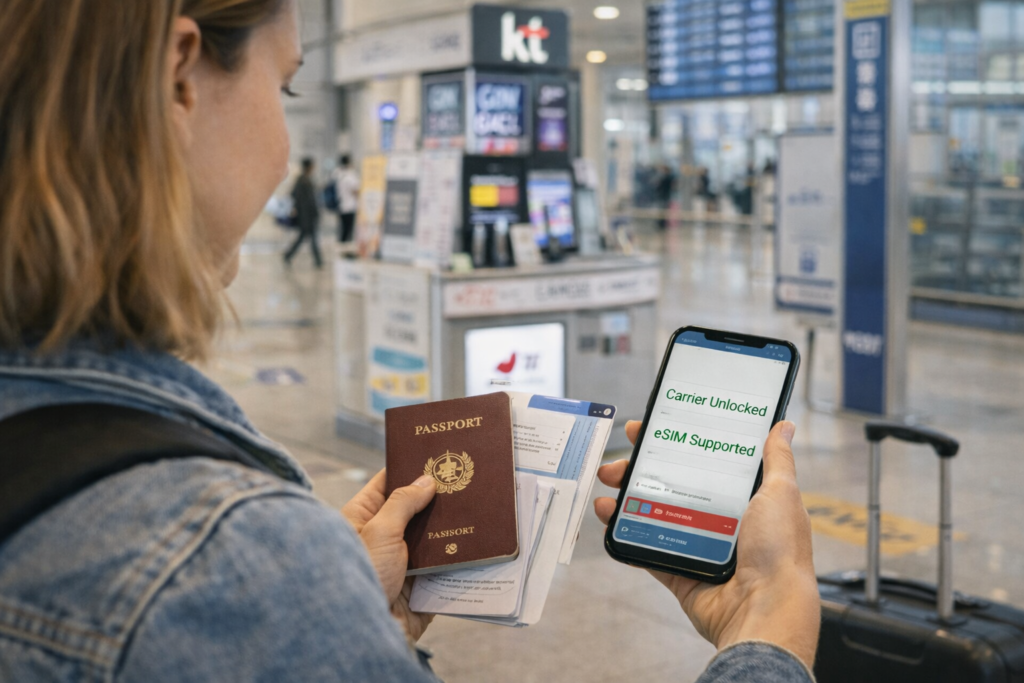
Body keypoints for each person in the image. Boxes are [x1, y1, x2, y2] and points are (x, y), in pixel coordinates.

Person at [0, 1, 821, 681]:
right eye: (285, 87)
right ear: (181, 78)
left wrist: (351, 624)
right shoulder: (226, 562)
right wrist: (768, 630)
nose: (285, 152)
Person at [284, 157, 323, 267]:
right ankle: (318, 261)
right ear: (309, 166)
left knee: (304, 238)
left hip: (308, 215)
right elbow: (297, 196)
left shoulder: (306, 179)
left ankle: (289, 255)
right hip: (307, 216)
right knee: (311, 239)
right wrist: (300, 208)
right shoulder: (303, 180)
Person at [333, 153, 360, 243]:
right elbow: (355, 191)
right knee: (348, 231)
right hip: (349, 206)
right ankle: (344, 248)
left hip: (341, 205)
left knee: (343, 230)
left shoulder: (338, 174)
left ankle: (341, 247)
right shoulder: (350, 176)